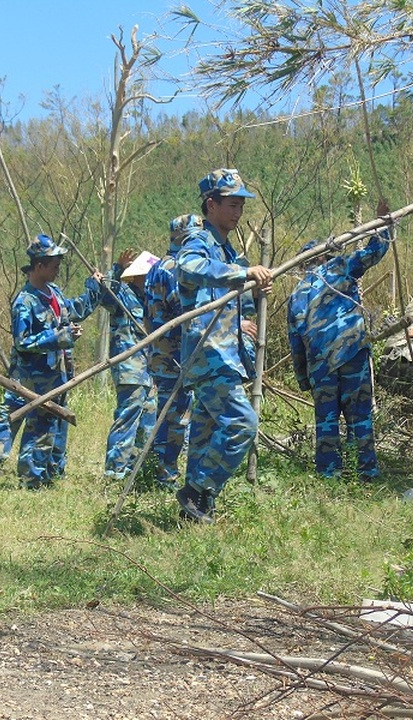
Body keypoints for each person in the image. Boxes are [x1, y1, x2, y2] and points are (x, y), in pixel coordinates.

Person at [174, 168, 273, 523]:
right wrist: (242, 274)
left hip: (224, 354)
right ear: (211, 205)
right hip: (208, 354)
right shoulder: (199, 241)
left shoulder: (227, 250)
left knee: (203, 435)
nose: (237, 213)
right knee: (241, 422)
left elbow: (232, 298)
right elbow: (187, 268)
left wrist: (253, 290)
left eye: (241, 206)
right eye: (231, 205)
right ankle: (199, 489)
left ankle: (195, 512)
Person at [287, 200, 392, 481]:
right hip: (351, 353)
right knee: (360, 417)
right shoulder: (340, 267)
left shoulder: (297, 294)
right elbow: (374, 251)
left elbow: (296, 342)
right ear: (323, 257)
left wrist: (303, 379)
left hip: (320, 364)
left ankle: (329, 475)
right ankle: (367, 472)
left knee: (327, 421)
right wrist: (383, 224)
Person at [12, 234, 102, 489]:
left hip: (60, 372)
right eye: (54, 265)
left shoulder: (55, 293)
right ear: (39, 266)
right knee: (40, 423)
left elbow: (76, 311)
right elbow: (23, 341)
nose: (58, 270)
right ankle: (31, 478)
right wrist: (58, 336)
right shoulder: (24, 302)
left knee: (58, 422)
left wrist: (93, 288)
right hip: (38, 375)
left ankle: (53, 472)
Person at [144, 215, 201, 489]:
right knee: (175, 417)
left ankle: (159, 468)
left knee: (168, 413)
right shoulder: (173, 268)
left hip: (163, 353)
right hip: (173, 355)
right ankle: (164, 474)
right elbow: (184, 308)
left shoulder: (157, 267)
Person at [101, 249, 158, 481]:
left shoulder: (152, 301)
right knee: (128, 416)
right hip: (129, 368)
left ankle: (138, 470)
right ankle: (115, 470)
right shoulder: (122, 294)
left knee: (149, 418)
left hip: (150, 369)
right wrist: (116, 269)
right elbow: (103, 295)